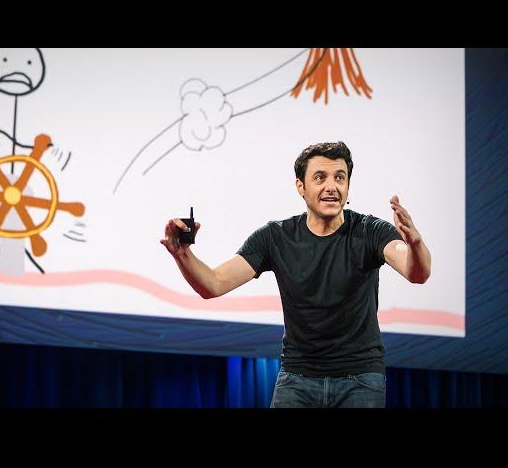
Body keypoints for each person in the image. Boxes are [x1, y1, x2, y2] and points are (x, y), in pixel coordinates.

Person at [160, 141, 431, 408]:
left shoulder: (371, 231)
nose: (331, 187)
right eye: (320, 177)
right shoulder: (275, 237)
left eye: (340, 177)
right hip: (297, 378)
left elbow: (416, 272)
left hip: (360, 378)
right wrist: (182, 255)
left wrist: (415, 243)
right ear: (300, 186)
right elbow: (213, 284)